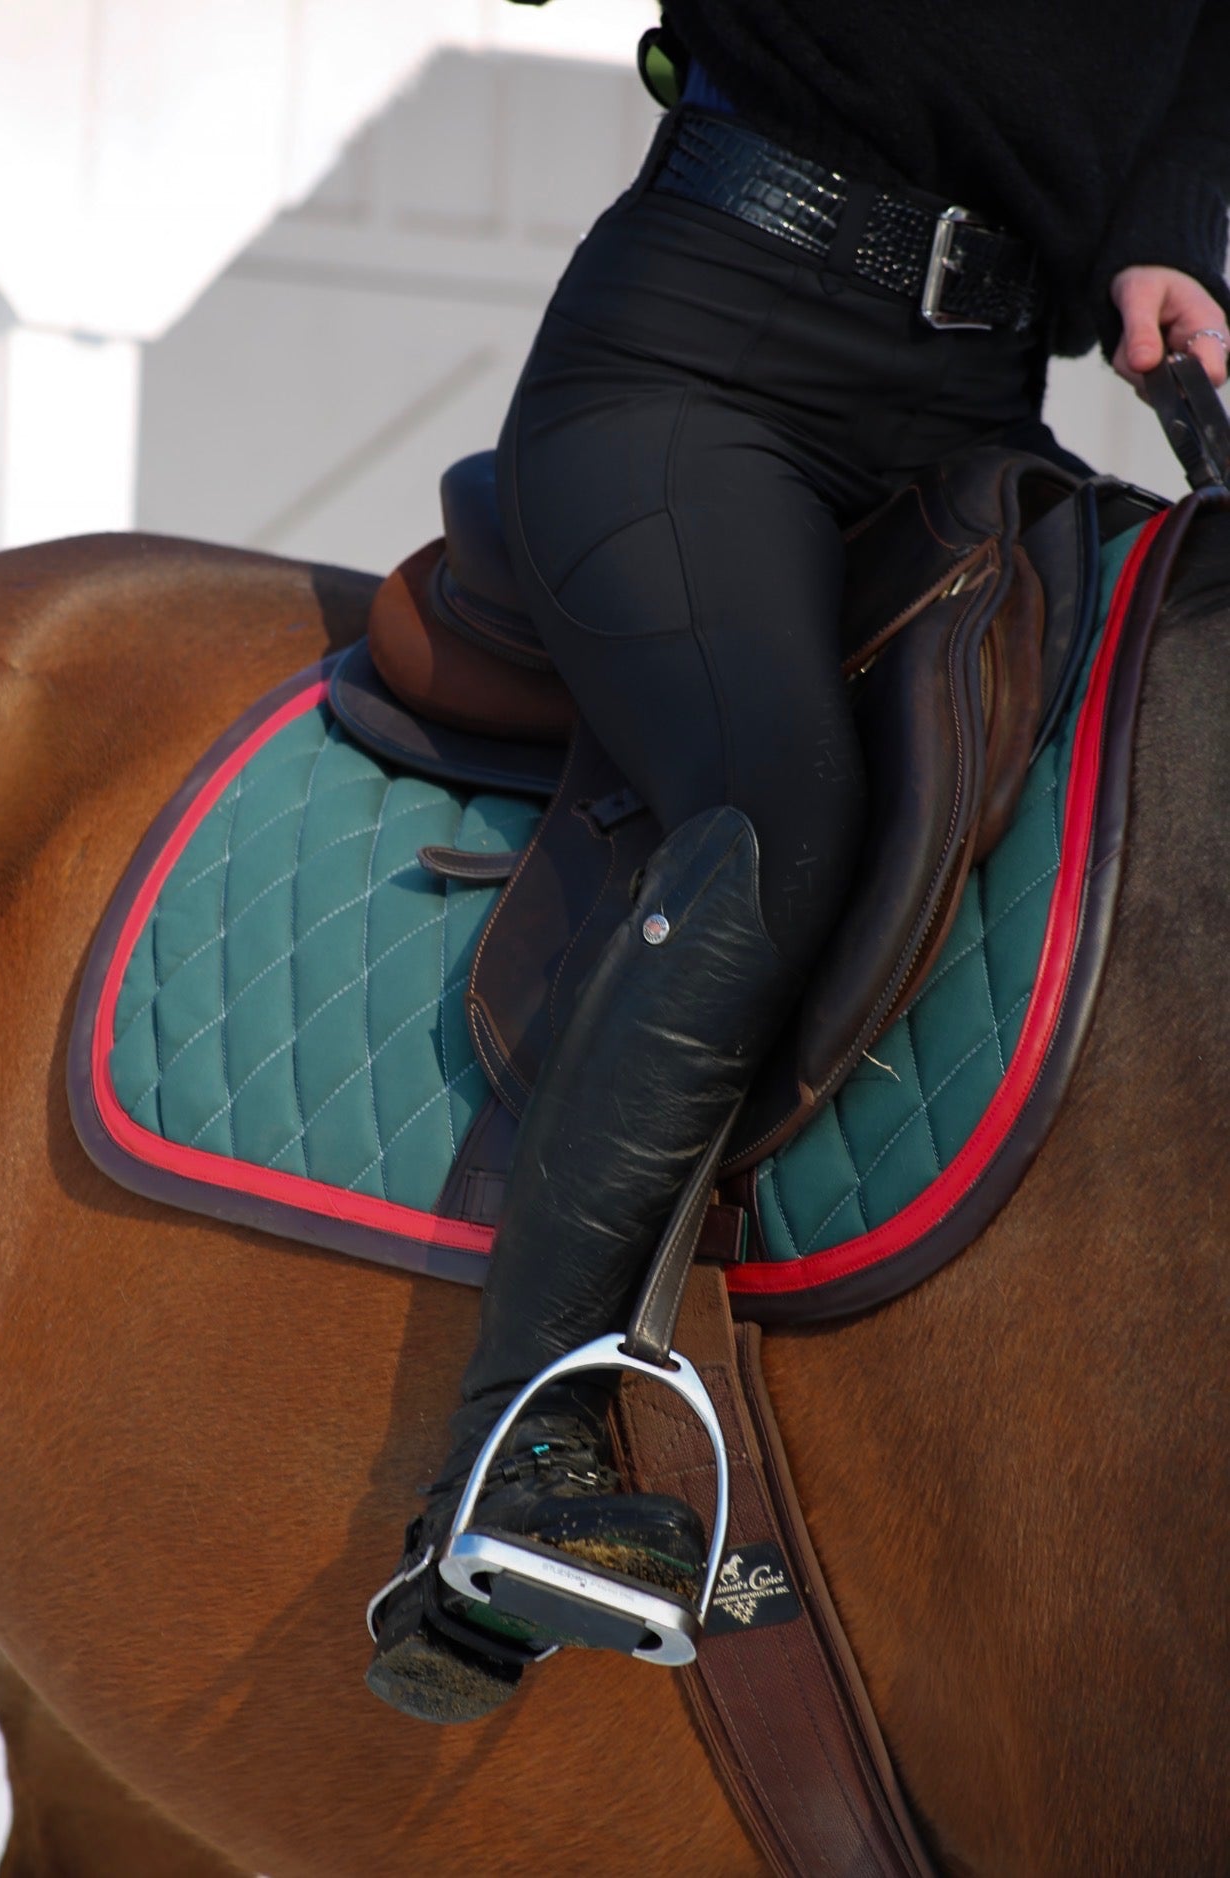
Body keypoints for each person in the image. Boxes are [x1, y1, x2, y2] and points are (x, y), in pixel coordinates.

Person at [367, 1, 1230, 1723]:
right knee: (778, 807)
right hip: (698, 357)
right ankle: (517, 1442)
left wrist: (1160, 241)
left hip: (974, 407)